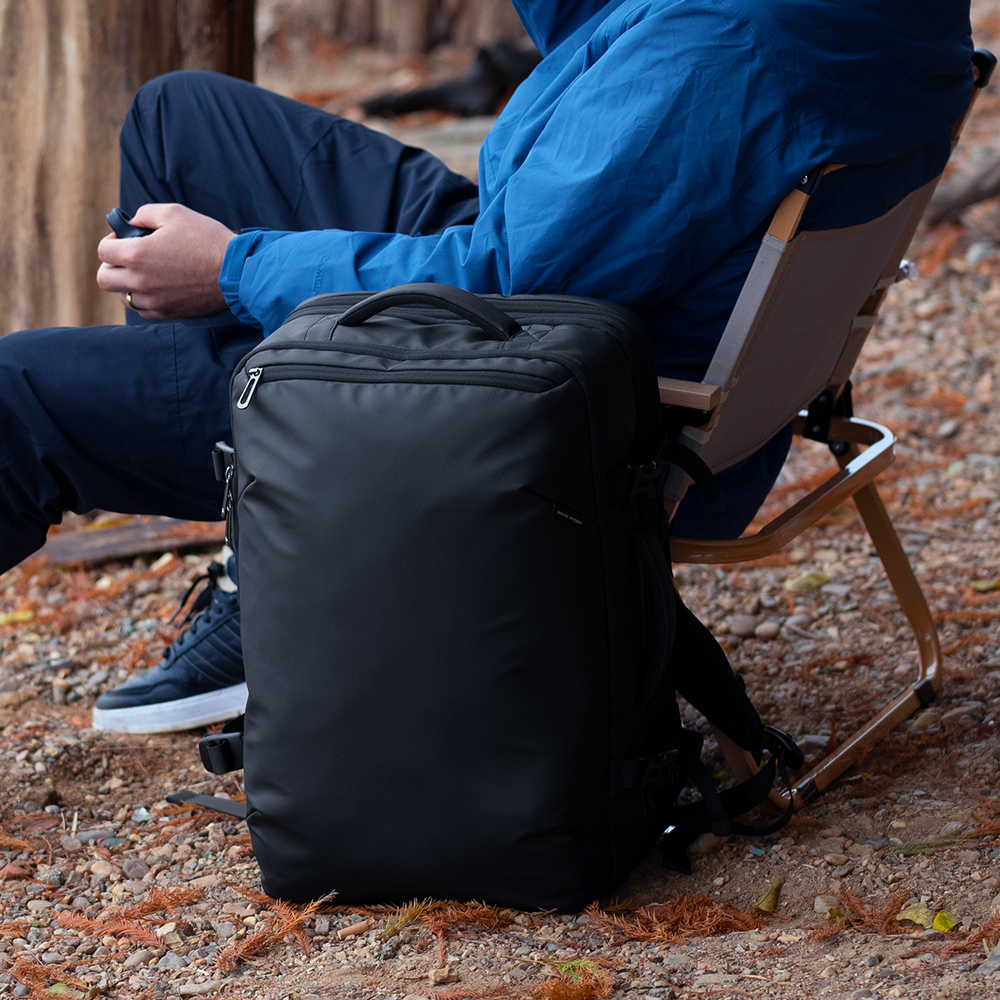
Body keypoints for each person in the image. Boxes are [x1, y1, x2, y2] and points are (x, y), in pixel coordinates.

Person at [0, 0, 973, 733]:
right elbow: (605, 65)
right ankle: (269, 541)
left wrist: (232, 268)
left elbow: (498, 281)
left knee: (18, 396)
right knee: (183, 120)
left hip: (525, 416)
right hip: (601, 314)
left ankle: (297, 549)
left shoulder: (720, 46)